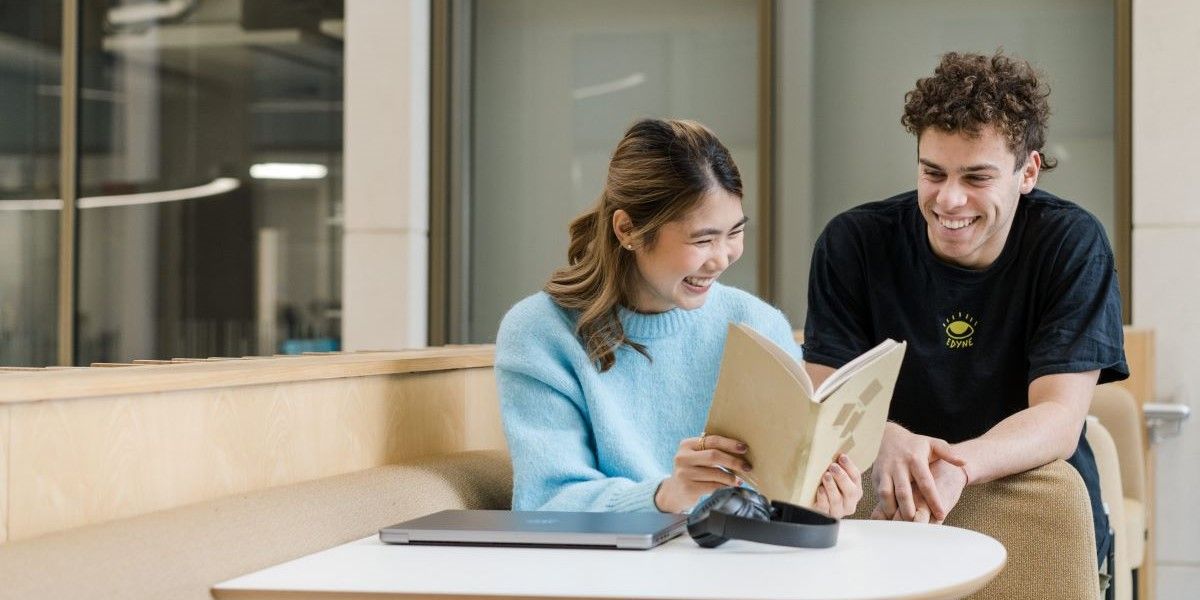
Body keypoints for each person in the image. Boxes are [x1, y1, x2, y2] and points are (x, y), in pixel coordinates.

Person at [801, 51, 1128, 568]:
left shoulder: (1071, 243)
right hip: (886, 516)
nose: (949, 200)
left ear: (1028, 172)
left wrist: (958, 465)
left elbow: (1058, 418)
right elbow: (822, 398)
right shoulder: (854, 243)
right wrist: (889, 436)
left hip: (1036, 516)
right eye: (933, 172)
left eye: (976, 178)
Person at [496, 118, 861, 517]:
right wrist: (666, 496)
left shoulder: (756, 324)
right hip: (608, 573)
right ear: (628, 229)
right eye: (703, 239)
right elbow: (547, 503)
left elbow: (779, 496)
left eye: (734, 232)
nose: (723, 257)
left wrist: (817, 503)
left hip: (746, 567)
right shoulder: (540, 333)